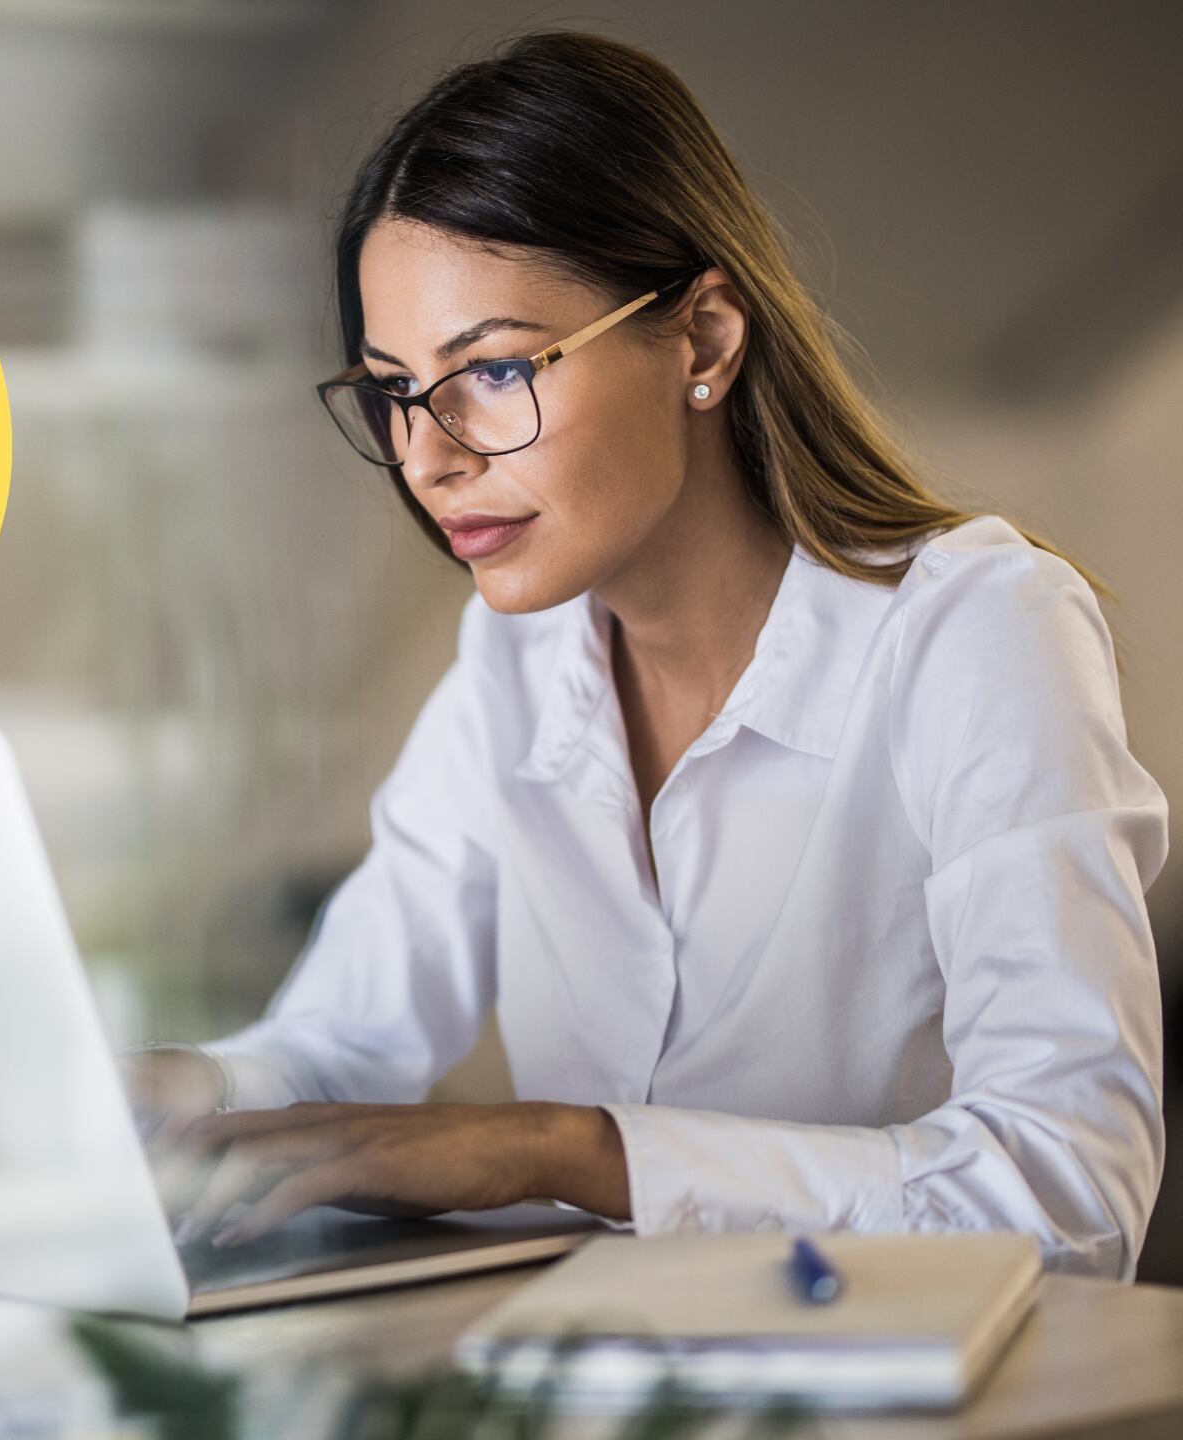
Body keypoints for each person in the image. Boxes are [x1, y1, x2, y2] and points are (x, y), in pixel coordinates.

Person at [119, 29, 1168, 1282]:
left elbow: (1072, 1190)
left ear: (706, 342)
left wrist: (571, 1152)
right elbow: (347, 1041)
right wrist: (180, 1092)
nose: (429, 456)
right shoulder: (516, 665)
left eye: (495, 370)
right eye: (397, 390)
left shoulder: (977, 628)